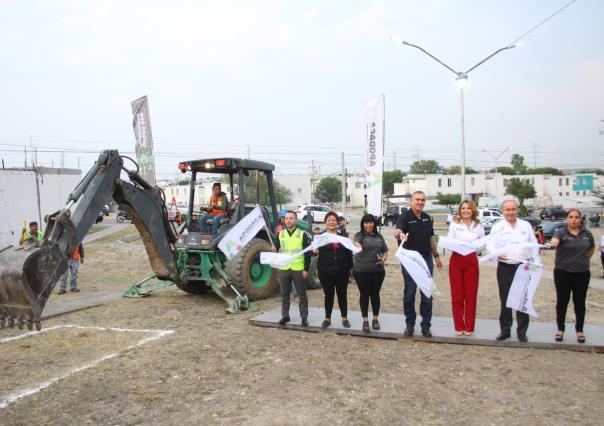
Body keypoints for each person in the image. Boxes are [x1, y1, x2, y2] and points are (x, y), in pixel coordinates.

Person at [486, 200, 539, 343]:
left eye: (513, 209)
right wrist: (497, 253)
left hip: (523, 267)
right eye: (507, 209)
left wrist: (535, 263)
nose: (510, 212)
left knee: (522, 300)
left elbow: (533, 245)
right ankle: (505, 330)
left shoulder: (526, 226)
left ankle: (522, 332)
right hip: (505, 268)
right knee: (506, 300)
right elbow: (490, 245)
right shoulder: (498, 227)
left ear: (517, 210)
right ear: (502, 211)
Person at [394, 191, 442, 337]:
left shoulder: (427, 218)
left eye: (422, 200)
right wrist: (400, 234)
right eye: (417, 199)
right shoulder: (404, 217)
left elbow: (431, 239)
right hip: (410, 261)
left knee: (427, 293)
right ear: (411, 201)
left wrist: (436, 255)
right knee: (409, 293)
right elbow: (397, 231)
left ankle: (426, 325)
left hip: (426, 259)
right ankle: (410, 324)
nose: (420, 202)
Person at [550, 209, 595, 343]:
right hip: (563, 272)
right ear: (567, 219)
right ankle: (560, 329)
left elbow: (591, 248)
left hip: (582, 273)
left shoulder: (587, 233)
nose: (574, 219)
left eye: (576, 217)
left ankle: (579, 330)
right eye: (571, 217)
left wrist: (583, 259)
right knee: (562, 301)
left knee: (580, 302)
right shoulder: (561, 231)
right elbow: (555, 239)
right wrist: (554, 241)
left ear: (580, 219)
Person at [447, 200, 485, 336]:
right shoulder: (454, 225)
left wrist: (475, 247)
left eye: (468, 208)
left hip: (471, 260)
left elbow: (482, 244)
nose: (465, 210)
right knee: (457, 295)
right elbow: (449, 242)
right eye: (463, 208)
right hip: (457, 260)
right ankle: (458, 325)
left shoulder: (479, 226)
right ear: (459, 210)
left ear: (473, 210)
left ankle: (469, 326)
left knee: (470, 295)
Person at [313, 211, 353, 329]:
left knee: (342, 295)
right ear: (325, 222)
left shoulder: (343, 236)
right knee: (328, 295)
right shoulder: (320, 237)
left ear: (337, 222)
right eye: (329, 220)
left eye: (333, 220)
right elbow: (314, 251)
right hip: (325, 271)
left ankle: (344, 318)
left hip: (342, 271)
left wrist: (350, 268)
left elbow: (348, 252)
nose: (331, 222)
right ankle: (327, 318)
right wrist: (314, 251)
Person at [352, 214, 389, 333]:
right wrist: (357, 245)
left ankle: (375, 319)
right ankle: (365, 321)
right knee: (364, 295)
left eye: (371, 222)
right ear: (363, 224)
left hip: (378, 271)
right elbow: (355, 243)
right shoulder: (359, 235)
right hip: (361, 270)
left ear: (374, 223)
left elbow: (385, 251)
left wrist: (383, 259)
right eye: (366, 222)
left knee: (375, 295)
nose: (368, 225)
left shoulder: (379, 237)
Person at [275, 210, 311, 326]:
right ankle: (285, 316)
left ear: (295, 220)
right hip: (284, 269)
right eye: (286, 218)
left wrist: (306, 269)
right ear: (283, 220)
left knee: (302, 294)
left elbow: (307, 253)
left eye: (291, 218)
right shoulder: (281, 234)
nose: (288, 220)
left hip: (298, 268)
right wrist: (273, 248)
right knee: (284, 294)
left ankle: (304, 318)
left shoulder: (302, 234)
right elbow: (276, 248)